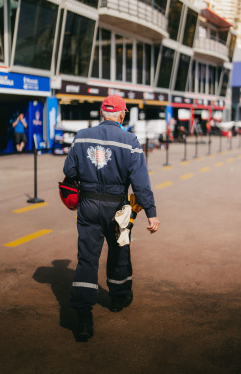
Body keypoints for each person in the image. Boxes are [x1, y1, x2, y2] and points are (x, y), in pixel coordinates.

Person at [63, 94, 160, 341]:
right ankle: (118, 298)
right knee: (119, 252)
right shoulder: (130, 141)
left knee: (87, 259)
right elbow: (140, 183)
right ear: (121, 114)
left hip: (88, 204)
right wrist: (151, 213)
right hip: (119, 207)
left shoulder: (81, 136)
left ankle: (84, 318)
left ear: (101, 112)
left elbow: (70, 171)